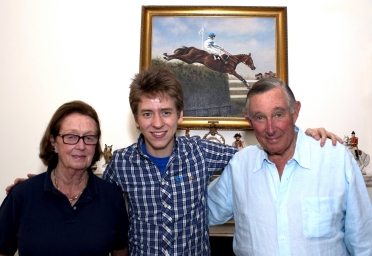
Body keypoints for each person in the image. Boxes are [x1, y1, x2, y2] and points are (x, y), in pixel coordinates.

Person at [4, 67, 341, 256]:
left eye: (166, 112)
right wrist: (40, 187)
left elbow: (262, 151)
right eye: (147, 113)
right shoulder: (121, 163)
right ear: (136, 118)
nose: (158, 122)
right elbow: (88, 192)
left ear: (180, 115)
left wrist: (303, 134)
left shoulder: (203, 152)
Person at [208, 77, 372, 255]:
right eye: (260, 117)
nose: (270, 129)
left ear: (295, 112)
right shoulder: (239, 167)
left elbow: (363, 243)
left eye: (278, 114)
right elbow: (198, 212)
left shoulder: (336, 159)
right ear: (248, 120)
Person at [0, 101, 129, 256]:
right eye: (71, 136)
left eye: (89, 137)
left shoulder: (112, 197)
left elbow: (120, 251)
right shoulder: (22, 195)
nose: (81, 146)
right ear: (53, 142)